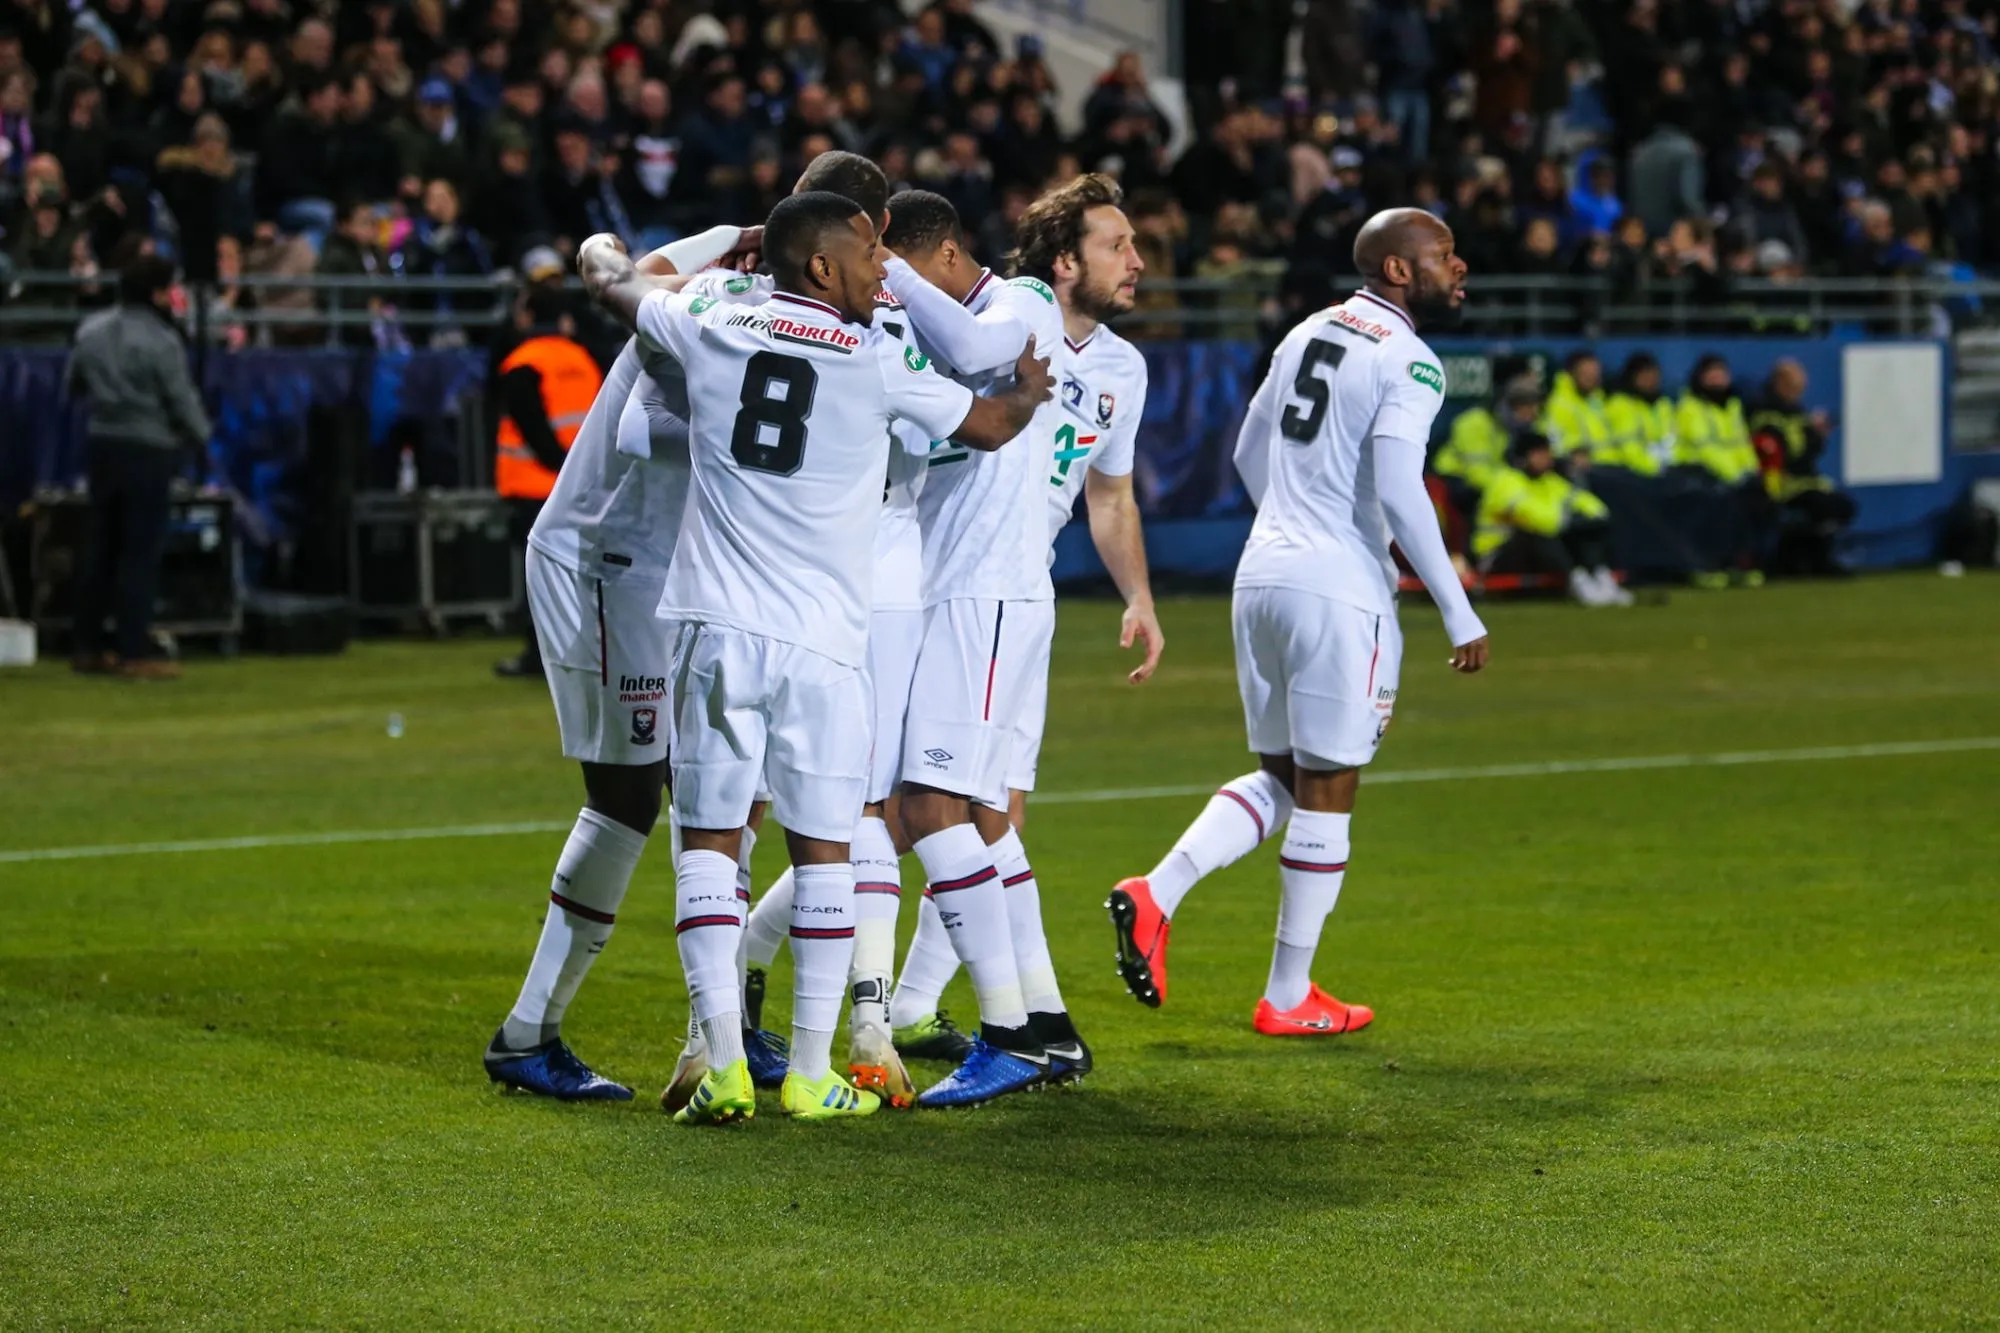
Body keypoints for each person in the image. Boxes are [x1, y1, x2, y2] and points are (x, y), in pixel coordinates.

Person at [580, 191, 1052, 1124]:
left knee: (711, 845)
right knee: (829, 847)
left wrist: (615, 243)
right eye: (872, 255)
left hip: (714, 626)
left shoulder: (714, 317)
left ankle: (719, 1063)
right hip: (826, 644)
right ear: (823, 267)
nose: (888, 271)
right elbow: (989, 425)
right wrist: (1032, 391)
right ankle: (807, 1072)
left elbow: (611, 278)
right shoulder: (875, 360)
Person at [1106, 208, 1489, 1032]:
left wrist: (1291, 526)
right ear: (1396, 270)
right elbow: (1399, 487)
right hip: (1337, 589)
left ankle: (1155, 892)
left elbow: (1248, 450)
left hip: (1263, 575)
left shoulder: (1308, 329)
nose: (1459, 267)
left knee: (1284, 776)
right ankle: (1287, 995)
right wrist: (1458, 609)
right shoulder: (1413, 362)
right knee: (1329, 786)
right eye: (1444, 254)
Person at [844, 174, 1131, 1107]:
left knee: (923, 811)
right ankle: (1044, 1022)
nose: (1135, 260)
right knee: (982, 818)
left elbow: (972, 339)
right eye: (1116, 242)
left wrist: (882, 263)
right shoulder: (1016, 318)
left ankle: (1006, 1033)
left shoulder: (1020, 308)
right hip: (982, 595)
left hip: (985, 597)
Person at [481, 223, 755, 1103]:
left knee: (705, 787)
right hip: (606, 563)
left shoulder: (743, 305)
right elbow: (641, 426)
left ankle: (725, 1032)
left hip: (653, 575)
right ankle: (529, 1035)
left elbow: (627, 266)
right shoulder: (709, 312)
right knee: (632, 795)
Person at [62, 255, 212, 680]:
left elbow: (72, 385)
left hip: (102, 444)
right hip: (148, 448)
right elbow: (181, 400)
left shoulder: (90, 330)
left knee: (101, 547)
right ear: (157, 293)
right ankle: (133, 649)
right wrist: (202, 436)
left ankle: (87, 646)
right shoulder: (162, 341)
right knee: (139, 552)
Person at [491, 255, 604, 679]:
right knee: (577, 577)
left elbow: (534, 430)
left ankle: (539, 658)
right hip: (582, 486)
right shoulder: (584, 359)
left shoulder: (523, 362)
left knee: (538, 580)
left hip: (535, 485)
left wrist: (560, 467)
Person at [1474, 433, 1629, 606]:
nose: (1547, 459)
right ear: (1522, 457)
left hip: (1534, 553)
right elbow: (1536, 519)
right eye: (1539, 454)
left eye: (1547, 453)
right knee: (1537, 533)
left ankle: (1601, 578)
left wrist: (1591, 517)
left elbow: (1588, 504)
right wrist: (1570, 521)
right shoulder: (1504, 481)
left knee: (1588, 530)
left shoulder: (1549, 481)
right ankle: (1580, 584)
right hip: (1495, 557)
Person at [1748, 359, 1855, 577]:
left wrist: (1817, 436)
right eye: (1793, 388)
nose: (1797, 394)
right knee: (1821, 506)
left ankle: (1812, 559)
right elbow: (1781, 455)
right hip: (1782, 482)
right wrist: (1811, 434)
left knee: (1842, 506)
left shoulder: (1795, 411)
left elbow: (1809, 452)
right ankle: (1805, 560)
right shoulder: (1767, 415)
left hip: (1804, 480)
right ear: (1779, 384)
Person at [1676, 353, 1766, 585]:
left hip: (1732, 474)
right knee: (1721, 499)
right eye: (1712, 374)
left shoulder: (1733, 406)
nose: (1718, 379)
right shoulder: (1689, 407)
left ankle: (1741, 562)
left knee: (1757, 497)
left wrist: (1751, 471)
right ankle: (1708, 565)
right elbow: (1702, 448)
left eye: (1722, 374)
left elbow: (1741, 444)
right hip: (1698, 471)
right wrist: (1733, 475)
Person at [1434, 373, 1541, 521]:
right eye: (1525, 406)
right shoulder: (1474, 422)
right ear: (1508, 404)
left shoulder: (1517, 429)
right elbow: (1476, 473)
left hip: (1493, 481)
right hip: (1453, 481)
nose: (1531, 413)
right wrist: (1510, 487)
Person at [1541, 349, 1612, 463]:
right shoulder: (1559, 404)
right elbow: (1553, 444)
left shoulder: (1599, 401)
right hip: (1580, 468)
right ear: (1571, 373)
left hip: (1611, 465)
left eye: (1595, 373)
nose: (1592, 378)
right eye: (1586, 373)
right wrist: (1571, 454)